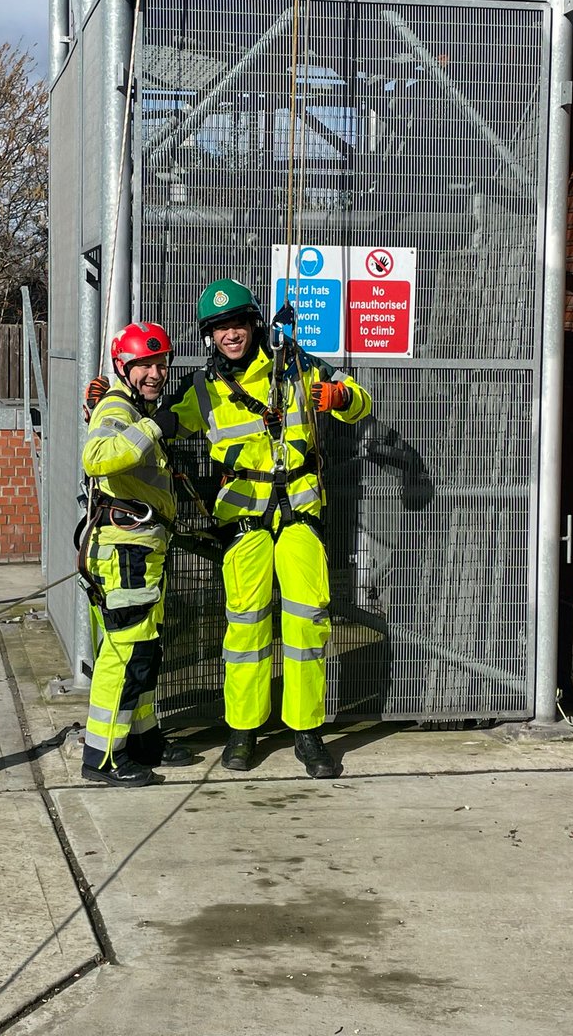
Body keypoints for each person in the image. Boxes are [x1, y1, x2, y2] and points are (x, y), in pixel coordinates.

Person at [157, 279, 372, 778]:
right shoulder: (202, 388)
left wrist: (340, 397)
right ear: (208, 335)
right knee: (246, 626)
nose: (229, 334)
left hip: (299, 514)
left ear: (253, 323)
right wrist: (110, 405)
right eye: (218, 327)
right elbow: (158, 424)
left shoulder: (296, 364)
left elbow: (360, 400)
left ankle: (307, 732)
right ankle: (243, 731)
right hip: (244, 521)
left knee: (307, 622)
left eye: (235, 323)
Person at [77, 321, 191, 787]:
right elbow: (97, 456)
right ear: (124, 367)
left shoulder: (133, 407)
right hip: (125, 551)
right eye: (145, 364)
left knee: (144, 648)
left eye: (161, 364)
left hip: (143, 550)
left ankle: (143, 740)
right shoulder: (119, 409)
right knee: (124, 653)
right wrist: (150, 428)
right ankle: (103, 756)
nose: (155, 373)